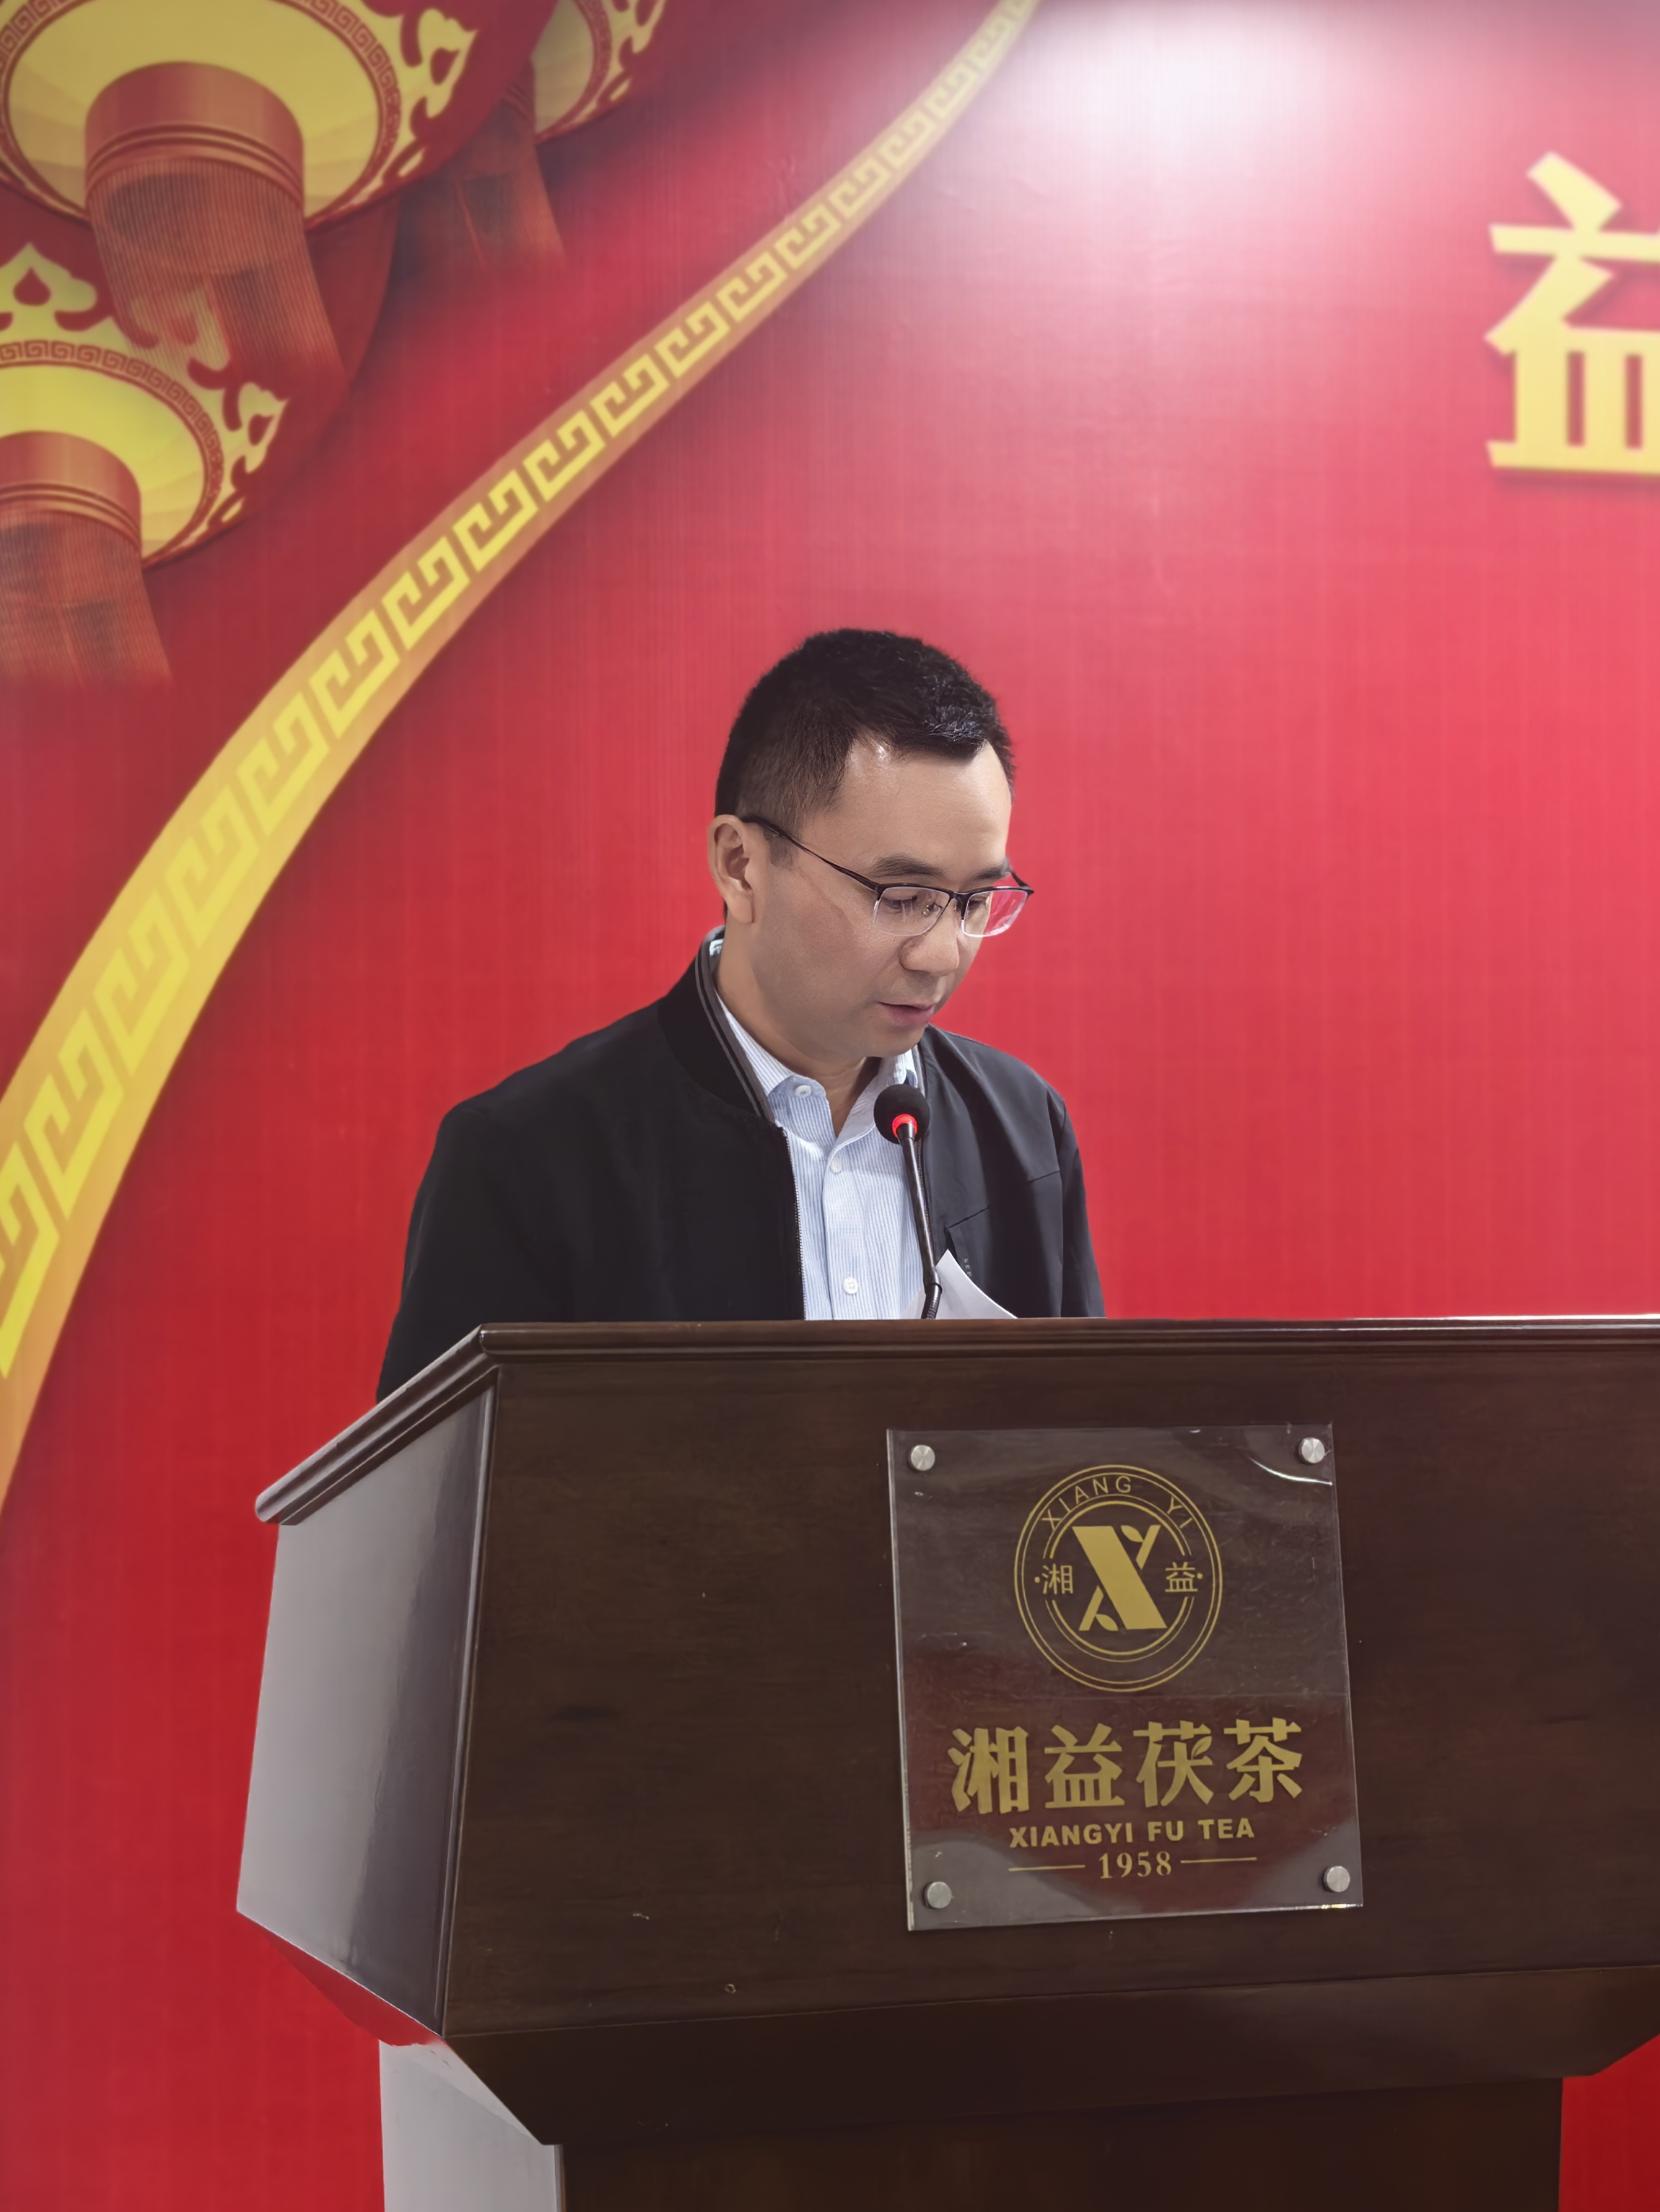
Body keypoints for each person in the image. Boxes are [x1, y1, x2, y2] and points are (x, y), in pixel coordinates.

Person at [377, 629, 1101, 1394]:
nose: (942, 953)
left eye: (975, 900)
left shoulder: (1024, 1130)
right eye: (901, 897)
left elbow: (1081, 1440)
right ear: (741, 865)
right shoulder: (529, 1157)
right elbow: (445, 1470)